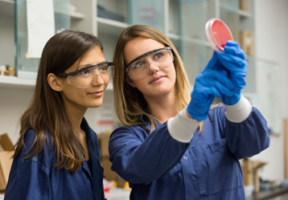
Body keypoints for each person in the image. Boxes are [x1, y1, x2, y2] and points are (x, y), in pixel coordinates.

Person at [108, 24, 270, 200]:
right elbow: (139, 169)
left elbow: (255, 145)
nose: (153, 68)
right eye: (138, 63)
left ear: (173, 59)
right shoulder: (126, 138)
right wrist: (191, 115)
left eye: (158, 55)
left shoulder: (220, 118)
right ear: (129, 79)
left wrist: (235, 100)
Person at [4, 30, 113, 200]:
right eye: (85, 71)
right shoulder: (38, 143)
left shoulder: (88, 136)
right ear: (55, 82)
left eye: (103, 68)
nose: (100, 80)